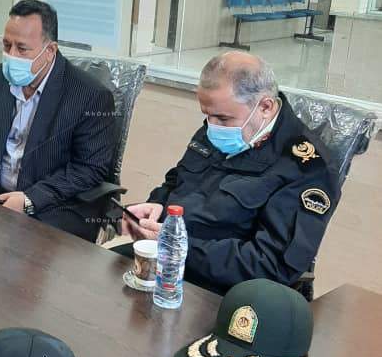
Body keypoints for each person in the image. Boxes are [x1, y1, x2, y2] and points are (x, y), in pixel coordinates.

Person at [111, 52, 339, 294]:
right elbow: (178, 179)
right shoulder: (225, 126)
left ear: (265, 107)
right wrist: (157, 204)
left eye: (221, 118)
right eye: (207, 116)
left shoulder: (307, 168)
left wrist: (181, 247)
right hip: (170, 258)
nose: (212, 126)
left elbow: (271, 265)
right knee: (101, 274)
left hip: (222, 287)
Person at [0, 0, 116, 241]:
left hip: (55, 205)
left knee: (14, 248)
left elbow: (89, 169)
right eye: (6, 45)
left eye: (21, 48)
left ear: (50, 51)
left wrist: (29, 199)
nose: (11, 56)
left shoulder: (89, 96)